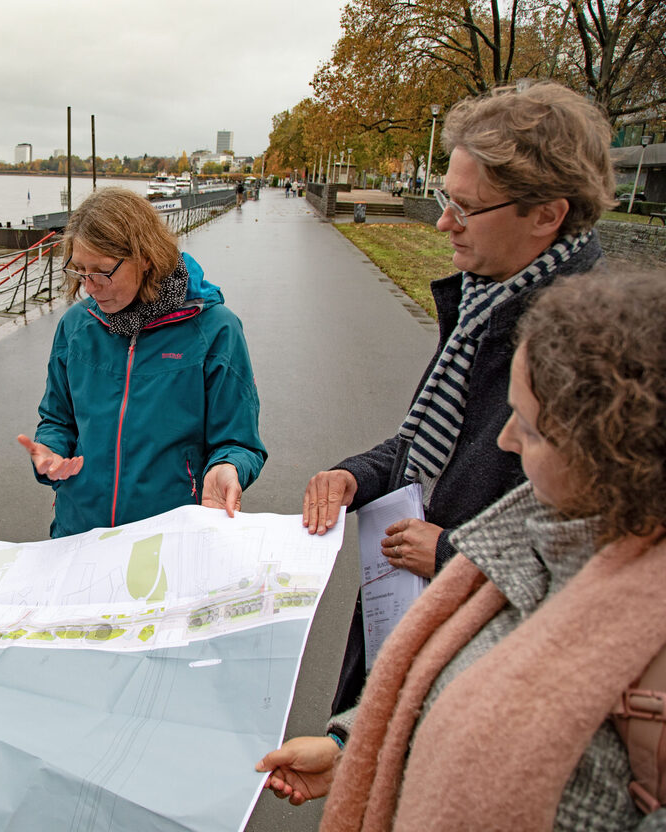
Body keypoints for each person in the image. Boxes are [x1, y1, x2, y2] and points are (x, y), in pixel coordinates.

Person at [257, 268, 666, 830]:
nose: (505, 440)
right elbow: (459, 690)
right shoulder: (544, 534)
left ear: (612, 450)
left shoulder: (610, 609)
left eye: (529, 425)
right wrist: (353, 747)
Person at [303, 81, 615, 714]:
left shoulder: (593, 353)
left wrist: (450, 554)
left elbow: (601, 557)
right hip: (417, 622)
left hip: (479, 674)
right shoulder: (487, 303)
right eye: (447, 198)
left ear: (547, 215)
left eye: (466, 208)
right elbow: (430, 446)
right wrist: (354, 476)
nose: (444, 221)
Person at [17, 186, 267, 538]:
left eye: (102, 271)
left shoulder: (215, 330)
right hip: (79, 534)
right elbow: (58, 419)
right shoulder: (75, 326)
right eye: (80, 271)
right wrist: (50, 452)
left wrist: (228, 467)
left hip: (170, 540)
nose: (90, 286)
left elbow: (239, 441)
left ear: (146, 257)